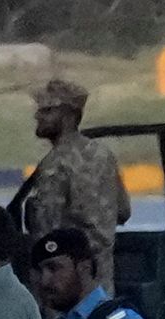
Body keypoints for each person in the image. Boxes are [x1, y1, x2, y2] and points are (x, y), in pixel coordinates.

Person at [14, 80, 128, 288]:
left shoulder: (54, 164)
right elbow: (123, 211)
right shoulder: (104, 155)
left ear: (68, 116)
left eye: (47, 111)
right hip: (101, 282)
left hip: (65, 286)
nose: (37, 116)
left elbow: (46, 230)